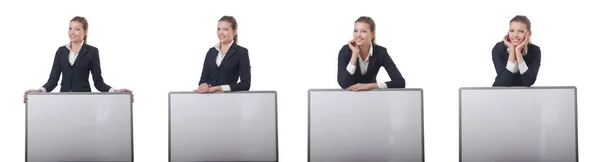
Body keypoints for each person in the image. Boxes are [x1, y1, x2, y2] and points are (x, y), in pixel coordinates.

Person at [24, 16, 133, 102]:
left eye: (77, 29)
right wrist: (39, 91)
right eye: (70, 28)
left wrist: (115, 91)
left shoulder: (92, 52)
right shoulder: (61, 51)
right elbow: (53, 81)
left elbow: (98, 82)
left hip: (84, 100)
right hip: (64, 100)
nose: (72, 32)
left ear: (85, 32)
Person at [337, 16, 405, 91]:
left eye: (363, 31)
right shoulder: (345, 51)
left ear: (372, 35)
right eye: (356, 30)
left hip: (372, 96)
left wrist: (370, 86)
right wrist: (355, 54)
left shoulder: (381, 52)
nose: (358, 34)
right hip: (350, 97)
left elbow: (400, 82)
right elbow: (344, 83)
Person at [194, 16, 251, 93]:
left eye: (225, 29)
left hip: (229, 100)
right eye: (219, 29)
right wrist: (202, 86)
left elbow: (245, 84)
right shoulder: (211, 52)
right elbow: (202, 80)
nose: (221, 32)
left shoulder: (241, 52)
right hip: (208, 100)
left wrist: (218, 88)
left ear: (234, 32)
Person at [492, 15, 541, 87]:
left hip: (524, 95)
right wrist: (512, 50)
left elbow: (528, 81)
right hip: (500, 94)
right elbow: (505, 82)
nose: (515, 35)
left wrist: (518, 52)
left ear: (529, 34)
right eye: (512, 31)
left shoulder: (535, 51)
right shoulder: (499, 49)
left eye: (521, 31)